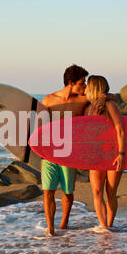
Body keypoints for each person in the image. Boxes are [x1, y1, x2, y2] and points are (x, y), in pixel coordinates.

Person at [40, 64, 89, 236]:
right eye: (82, 83)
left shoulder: (84, 100)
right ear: (71, 82)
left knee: (67, 192)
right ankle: (50, 230)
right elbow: (38, 126)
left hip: (69, 152)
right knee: (48, 191)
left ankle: (64, 224)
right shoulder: (48, 100)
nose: (85, 86)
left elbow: (105, 98)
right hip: (49, 152)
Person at [83, 75, 125, 230]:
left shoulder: (109, 106)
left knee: (111, 193)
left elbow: (120, 130)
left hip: (113, 154)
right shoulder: (88, 107)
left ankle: (110, 225)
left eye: (88, 84)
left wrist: (121, 154)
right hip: (96, 155)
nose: (85, 87)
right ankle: (103, 227)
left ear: (94, 87)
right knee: (97, 191)